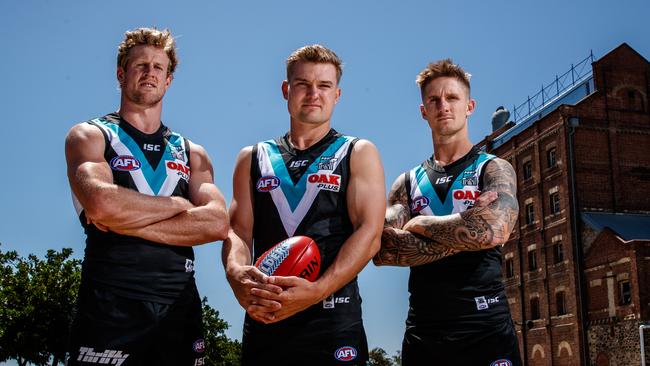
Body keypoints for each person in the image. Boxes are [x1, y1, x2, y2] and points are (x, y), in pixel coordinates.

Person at [65, 27, 229, 365]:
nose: (150, 72)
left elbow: (216, 222)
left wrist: (125, 221)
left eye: (158, 67)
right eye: (140, 65)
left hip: (179, 306)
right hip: (110, 304)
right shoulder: (91, 135)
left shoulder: (191, 152)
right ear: (121, 73)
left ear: (168, 80)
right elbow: (101, 203)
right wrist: (178, 206)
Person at [222, 44, 385, 365]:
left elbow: (370, 234)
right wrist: (235, 275)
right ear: (286, 90)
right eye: (303, 84)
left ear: (337, 94)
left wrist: (318, 290)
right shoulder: (253, 157)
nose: (314, 93)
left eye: (324, 85)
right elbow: (238, 232)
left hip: (333, 318)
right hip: (267, 315)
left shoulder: (357, 151)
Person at [374, 59, 522, 366]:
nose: (444, 106)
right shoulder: (408, 182)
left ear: (469, 106)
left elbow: (495, 229)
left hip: (485, 326)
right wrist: (469, 230)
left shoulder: (492, 168)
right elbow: (384, 249)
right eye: (434, 100)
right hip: (425, 332)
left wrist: (421, 223)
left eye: (452, 98)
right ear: (423, 111)